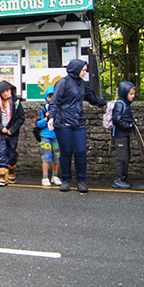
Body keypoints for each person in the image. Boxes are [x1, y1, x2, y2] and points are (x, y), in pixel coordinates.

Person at [48, 59, 107, 193]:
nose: (85, 73)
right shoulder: (63, 83)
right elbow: (55, 102)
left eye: (86, 70)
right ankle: (66, 180)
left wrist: (104, 103)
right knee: (66, 152)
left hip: (78, 121)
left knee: (80, 152)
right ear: (76, 69)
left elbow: (92, 97)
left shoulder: (82, 85)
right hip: (63, 123)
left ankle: (81, 181)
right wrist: (51, 117)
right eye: (83, 70)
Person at [0, 81, 26, 187]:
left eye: (7, 91)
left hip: (12, 133)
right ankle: (3, 175)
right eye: (3, 92)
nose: (5, 94)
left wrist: (12, 129)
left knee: (12, 152)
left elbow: (21, 118)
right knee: (1, 152)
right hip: (1, 133)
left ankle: (12, 170)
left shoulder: (16, 102)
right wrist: (1, 128)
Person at [110, 81, 137, 189]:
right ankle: (118, 179)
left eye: (133, 94)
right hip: (120, 135)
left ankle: (123, 177)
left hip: (124, 135)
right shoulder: (120, 104)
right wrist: (129, 126)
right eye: (130, 94)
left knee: (126, 156)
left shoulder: (125, 104)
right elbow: (116, 120)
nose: (133, 96)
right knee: (123, 158)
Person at [36, 85, 61, 187]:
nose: (51, 99)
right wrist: (46, 120)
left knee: (57, 156)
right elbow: (38, 124)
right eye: (49, 96)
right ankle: (45, 177)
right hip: (46, 135)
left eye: (53, 96)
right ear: (46, 97)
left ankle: (55, 176)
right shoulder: (43, 109)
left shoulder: (60, 109)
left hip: (57, 135)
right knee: (46, 156)